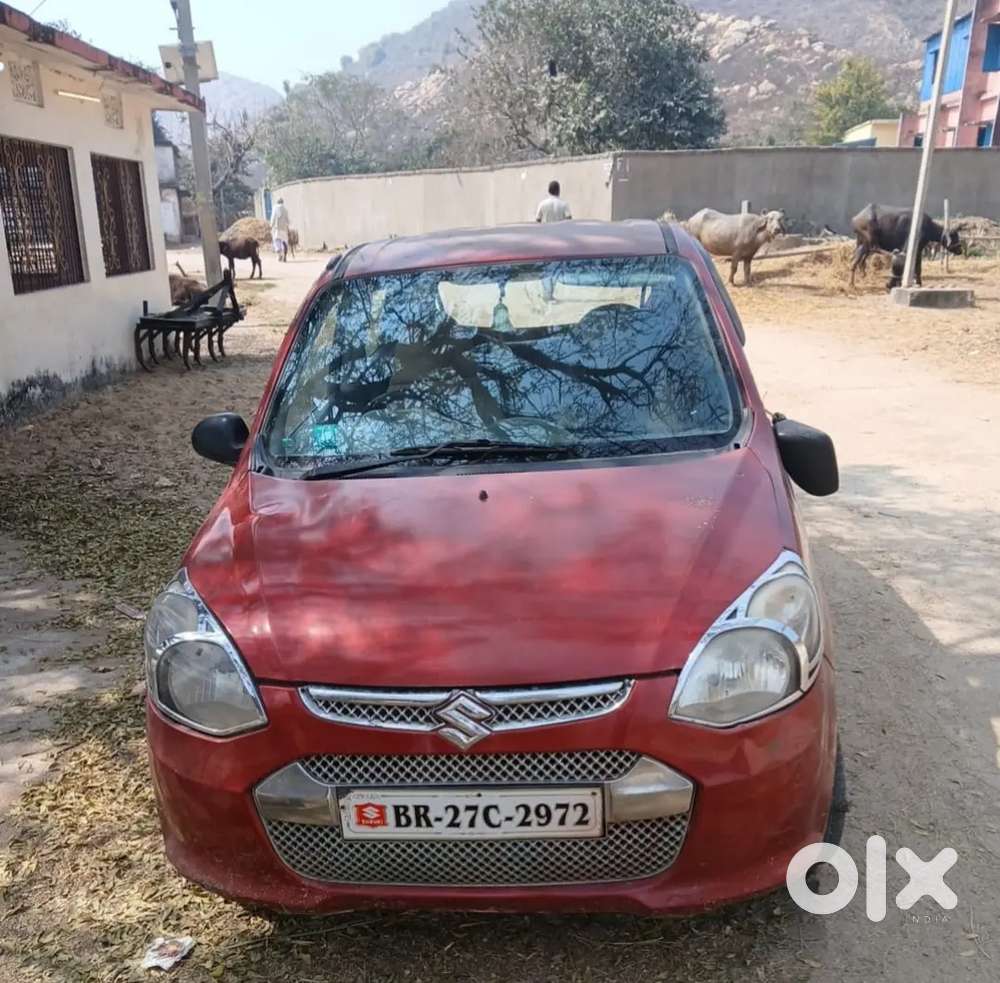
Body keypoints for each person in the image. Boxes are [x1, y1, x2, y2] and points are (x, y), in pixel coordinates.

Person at [271, 197, 290, 262]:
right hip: (284, 229)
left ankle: (279, 255)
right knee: (284, 242)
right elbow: (288, 220)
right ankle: (284, 254)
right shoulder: (285, 209)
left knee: (276, 241)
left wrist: (271, 225)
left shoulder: (275, 208)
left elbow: (273, 217)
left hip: (277, 228)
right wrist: (288, 226)